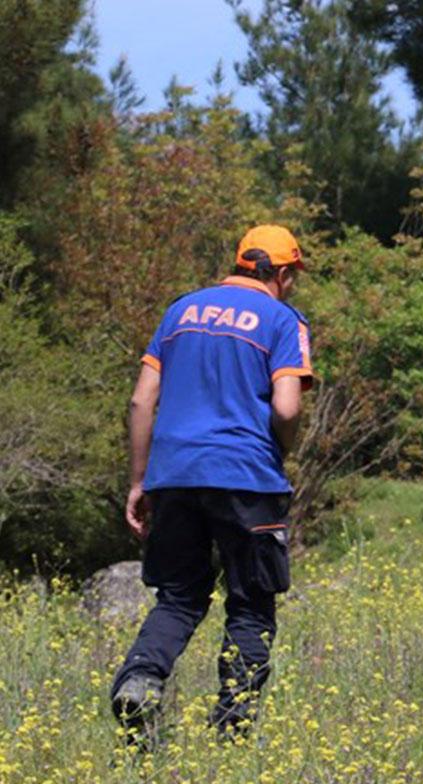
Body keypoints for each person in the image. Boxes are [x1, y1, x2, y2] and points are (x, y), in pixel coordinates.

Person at [112, 224, 314, 745]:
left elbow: (140, 402)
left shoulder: (181, 311)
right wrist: (282, 449)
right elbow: (288, 405)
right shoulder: (282, 319)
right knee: (250, 603)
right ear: (284, 272)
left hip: (173, 475)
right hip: (247, 476)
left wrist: (140, 481)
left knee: (178, 598)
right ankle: (232, 733)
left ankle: (141, 680)